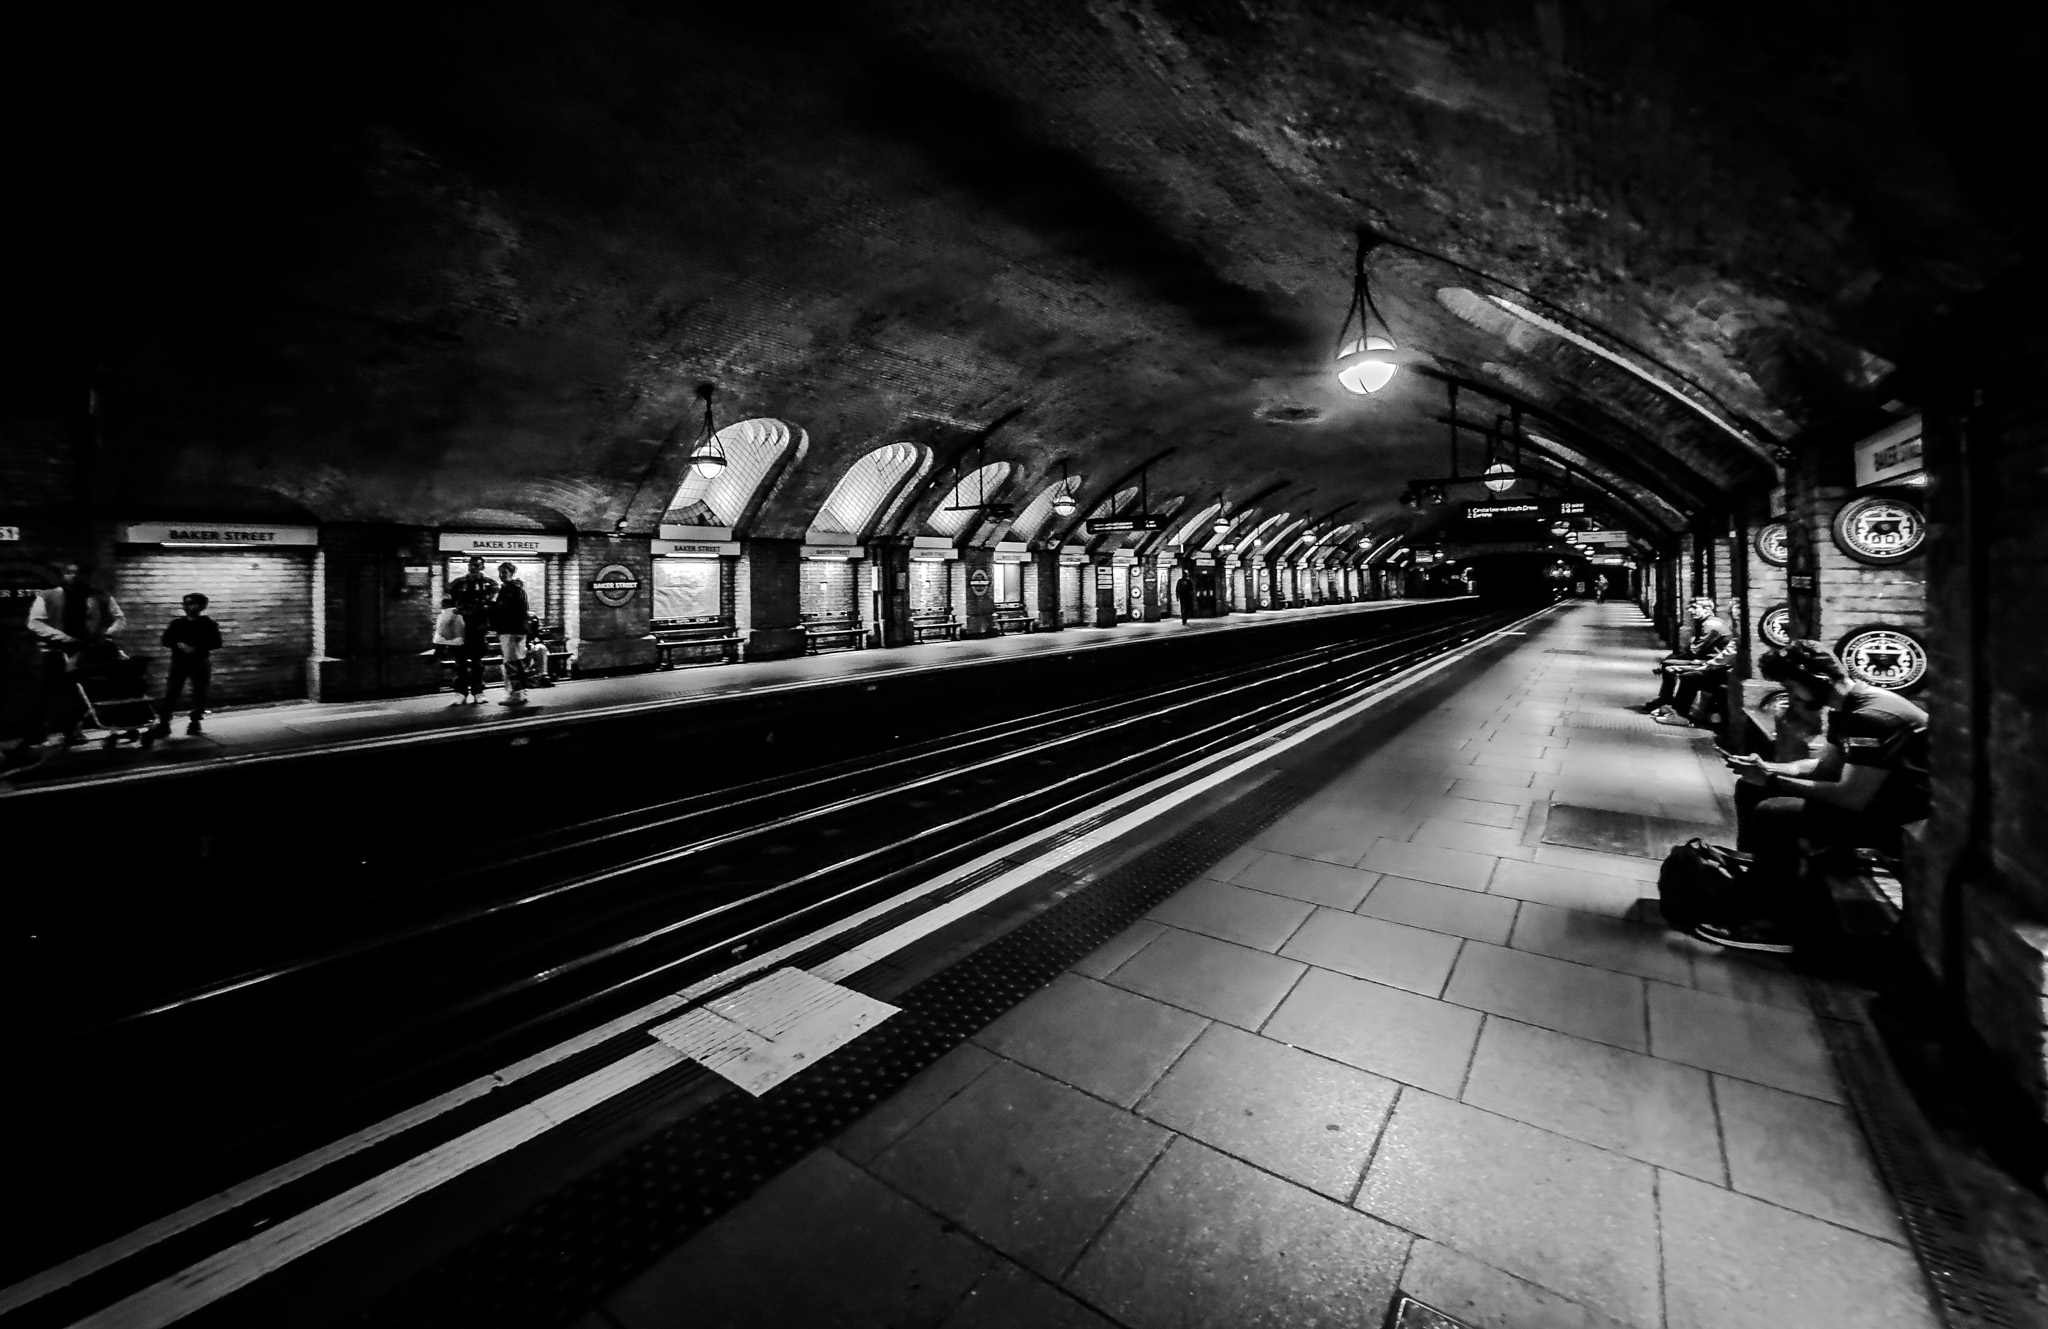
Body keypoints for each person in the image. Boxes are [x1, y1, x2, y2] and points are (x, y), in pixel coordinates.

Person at [1694, 641, 1929, 953]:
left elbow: (1851, 797)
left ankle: (1775, 923)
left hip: (1903, 814)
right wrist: (1765, 769)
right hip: (1879, 798)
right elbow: (1824, 767)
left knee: (1775, 814)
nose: (1792, 697)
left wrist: (1774, 780)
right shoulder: (1848, 707)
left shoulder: (1870, 716)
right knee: (1751, 788)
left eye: (1793, 688)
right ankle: (1758, 882)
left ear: (1817, 680)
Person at [24, 562, 127, 747]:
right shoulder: (49, 595)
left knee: (83, 694)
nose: (73, 576)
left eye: (77, 573)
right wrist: (62, 637)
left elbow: (119, 618)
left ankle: (73, 730)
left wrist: (106, 634)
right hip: (57, 651)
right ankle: (38, 733)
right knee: (48, 693)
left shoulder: (101, 596)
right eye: (69, 572)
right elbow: (35, 622)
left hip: (88, 651)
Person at [1648, 598, 1730, 720]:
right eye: (1690, 607)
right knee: (1668, 663)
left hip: (1711, 662)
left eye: (1695, 607)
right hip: (1708, 660)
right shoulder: (1707, 622)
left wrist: (1672, 661)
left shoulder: (1711, 625)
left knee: (1673, 667)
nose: (1691, 611)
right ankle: (1667, 699)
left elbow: (1693, 651)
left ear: (1707, 609)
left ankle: (1672, 705)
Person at [153, 593, 223, 737]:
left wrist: (195, 648)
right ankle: (164, 724)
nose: (187, 606)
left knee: (199, 693)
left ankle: (195, 722)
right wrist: (178, 644)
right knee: (172, 692)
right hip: (179, 662)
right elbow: (166, 640)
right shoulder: (177, 623)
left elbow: (216, 642)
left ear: (202, 606)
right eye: (185, 603)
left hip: (199, 662)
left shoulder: (207, 624)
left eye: (191, 603)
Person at [446, 556, 498, 702]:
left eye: (477, 565)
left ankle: (478, 691)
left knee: (477, 662)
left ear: (482, 567)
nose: (473, 568)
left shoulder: (490, 584)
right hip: (460, 627)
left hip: (478, 628)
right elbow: (447, 602)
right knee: (460, 662)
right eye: (472, 565)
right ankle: (460, 692)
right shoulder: (458, 583)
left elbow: (493, 606)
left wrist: (486, 619)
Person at [489, 561, 531, 704]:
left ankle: (515, 694)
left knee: (511, 662)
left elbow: (520, 610)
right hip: (511, 630)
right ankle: (521, 692)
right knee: (517, 662)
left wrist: (519, 630)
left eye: (504, 572)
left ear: (511, 573)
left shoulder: (513, 590)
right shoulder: (509, 589)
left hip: (511, 630)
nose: (501, 575)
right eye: (500, 572)